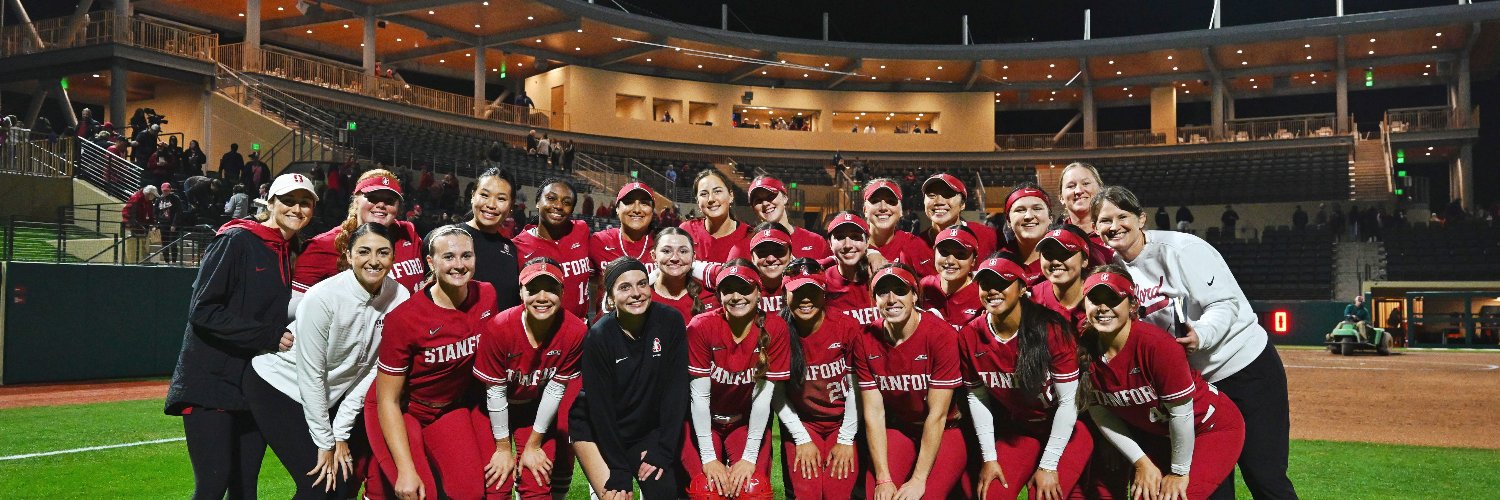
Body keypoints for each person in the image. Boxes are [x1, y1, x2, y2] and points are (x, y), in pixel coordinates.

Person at [1092, 186, 1298, 499]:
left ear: (1141, 219)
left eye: (1123, 216)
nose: (1114, 225)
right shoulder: (1114, 272)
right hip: (1197, 389)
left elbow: (1225, 304)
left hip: (1245, 369)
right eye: (1105, 220)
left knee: (1265, 476)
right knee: (1213, 488)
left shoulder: (1182, 249)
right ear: (1096, 228)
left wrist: (1200, 334)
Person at [164, 173, 316, 500]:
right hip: (210, 382)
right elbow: (203, 311)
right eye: (288, 201)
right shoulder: (237, 239)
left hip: (253, 384)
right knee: (212, 485)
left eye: (305, 203)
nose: (297, 209)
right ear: (270, 203)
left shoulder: (289, 250)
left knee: (245, 489)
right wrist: (269, 335)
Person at [246, 222, 409, 499]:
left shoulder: (400, 297)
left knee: (340, 486)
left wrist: (341, 432)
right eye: (364, 252)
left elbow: (373, 370)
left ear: (393, 257)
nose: (373, 261)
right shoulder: (322, 297)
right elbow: (311, 374)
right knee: (322, 485)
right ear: (348, 256)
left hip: (328, 394)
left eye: (383, 253)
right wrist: (326, 442)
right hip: (278, 386)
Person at [1077, 266, 1246, 500]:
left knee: (1175, 496)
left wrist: (1178, 472)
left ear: (1133, 305)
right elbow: (1100, 413)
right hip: (1162, 434)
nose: (1103, 307)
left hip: (1209, 427)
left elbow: (1182, 415)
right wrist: (1142, 462)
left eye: (1113, 299)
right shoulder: (1082, 347)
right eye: (1094, 299)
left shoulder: (1155, 345)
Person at [366, 225, 506, 500]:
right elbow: (387, 400)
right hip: (400, 409)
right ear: (431, 262)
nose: (459, 265)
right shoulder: (404, 319)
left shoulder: (487, 295)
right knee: (418, 491)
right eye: (449, 257)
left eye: (466, 256)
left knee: (470, 492)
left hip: (447, 407)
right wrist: (406, 469)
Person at [960, 255, 1093, 500]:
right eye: (985, 283)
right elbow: (977, 398)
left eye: (1002, 283)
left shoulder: (1050, 329)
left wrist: (1048, 465)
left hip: (1068, 428)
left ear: (1022, 288)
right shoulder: (970, 334)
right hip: (1020, 430)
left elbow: (1069, 402)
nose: (992, 290)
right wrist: (989, 458)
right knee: (992, 495)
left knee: (1044, 495)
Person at [571, 257, 690, 499]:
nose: (636, 293)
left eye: (642, 284)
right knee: (617, 496)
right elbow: (600, 410)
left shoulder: (670, 321)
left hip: (643, 431)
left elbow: (676, 391)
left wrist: (664, 449)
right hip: (597, 430)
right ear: (611, 297)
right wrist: (618, 466)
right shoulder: (599, 336)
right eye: (625, 287)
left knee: (664, 492)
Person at [473, 259, 588, 499]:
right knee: (497, 482)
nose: (543, 297)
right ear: (520, 292)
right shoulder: (499, 327)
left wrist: (533, 445)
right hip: (488, 408)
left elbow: (556, 390)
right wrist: (504, 448)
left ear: (563, 292)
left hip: (532, 407)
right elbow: (494, 392)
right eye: (533, 289)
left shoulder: (575, 330)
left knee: (536, 481)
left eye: (551, 289)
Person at [854, 263, 968, 499]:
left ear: (915, 294)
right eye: (883, 292)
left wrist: (918, 480)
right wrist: (883, 478)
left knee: (924, 496)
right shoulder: (866, 339)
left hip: (945, 429)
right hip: (900, 428)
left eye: (900, 290)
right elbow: (874, 414)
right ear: (874, 299)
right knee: (879, 494)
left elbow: (936, 415)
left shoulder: (941, 335)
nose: (891, 298)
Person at [683, 261, 792, 496]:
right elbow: (699, 398)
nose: (736, 296)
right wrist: (709, 458)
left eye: (744, 288)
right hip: (703, 422)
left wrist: (749, 458)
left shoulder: (775, 327)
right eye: (728, 289)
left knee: (752, 488)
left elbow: (763, 400)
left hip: (742, 423)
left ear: (759, 291)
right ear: (718, 294)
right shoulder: (701, 326)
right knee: (707, 489)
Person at [774, 271, 863, 499]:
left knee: (837, 494)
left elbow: (857, 388)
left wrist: (845, 438)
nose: (806, 299)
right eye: (798, 292)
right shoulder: (777, 330)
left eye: (812, 291)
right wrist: (801, 438)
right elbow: (777, 394)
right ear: (785, 295)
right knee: (808, 495)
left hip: (842, 422)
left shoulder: (846, 326)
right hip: (805, 423)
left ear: (824, 294)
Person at [295, 171, 426, 311]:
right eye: (372, 197)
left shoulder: (408, 233)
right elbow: (294, 307)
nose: (381, 204)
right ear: (356, 199)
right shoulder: (322, 246)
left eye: (389, 201)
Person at [513, 178, 594, 317]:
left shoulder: (581, 230)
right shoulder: (518, 246)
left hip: (581, 330)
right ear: (537, 202)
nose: (558, 205)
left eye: (566, 202)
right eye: (551, 198)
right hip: (543, 333)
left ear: (572, 209)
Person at [462, 168, 523, 311]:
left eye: (501, 198)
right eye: (484, 195)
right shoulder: (444, 239)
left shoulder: (512, 250)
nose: (491, 205)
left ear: (511, 206)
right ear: (472, 195)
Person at [747, 176, 833, 261]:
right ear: (753, 208)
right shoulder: (744, 246)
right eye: (758, 200)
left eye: (770, 196)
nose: (765, 203)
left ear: (785, 198)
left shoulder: (815, 242)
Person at [863, 178, 935, 277]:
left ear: (901, 211)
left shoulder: (914, 245)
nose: (883, 207)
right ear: (865, 210)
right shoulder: (850, 245)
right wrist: (868, 252)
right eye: (875, 201)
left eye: (891, 201)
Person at [680, 169, 751, 267]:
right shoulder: (686, 231)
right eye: (704, 194)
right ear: (697, 202)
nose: (711, 199)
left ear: (731, 195)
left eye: (717, 191)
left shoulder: (749, 235)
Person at [921, 173, 998, 261]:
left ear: (962, 204)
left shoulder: (987, 236)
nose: (939, 201)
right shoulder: (914, 245)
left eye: (948, 195)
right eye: (931, 195)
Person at [919, 226, 983, 329]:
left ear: (973, 261)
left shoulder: (983, 293)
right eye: (944, 252)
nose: (950, 261)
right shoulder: (925, 286)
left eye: (961, 254)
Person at [823, 212, 881, 326]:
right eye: (840, 237)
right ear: (830, 243)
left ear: (867, 241)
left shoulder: (881, 274)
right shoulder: (821, 282)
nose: (848, 245)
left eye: (855, 237)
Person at [1030, 226, 1093, 328]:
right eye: (1048, 254)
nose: (1055, 262)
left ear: (1084, 260)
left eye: (1065, 253)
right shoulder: (1031, 299)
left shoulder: (1101, 296)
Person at [590, 182, 657, 276]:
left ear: (652, 210)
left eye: (644, 203)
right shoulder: (600, 241)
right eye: (629, 202)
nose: (637, 210)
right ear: (617, 209)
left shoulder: (662, 245)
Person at [651, 227, 716, 319]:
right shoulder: (644, 299)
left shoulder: (709, 295)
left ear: (693, 256)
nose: (675, 258)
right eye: (666, 251)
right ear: (654, 256)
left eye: (683, 251)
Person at [1058, 162, 1115, 265]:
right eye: (1071, 186)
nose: (1079, 191)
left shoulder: (1117, 231)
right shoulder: (1055, 238)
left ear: (1100, 190)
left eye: (1086, 184)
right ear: (1061, 197)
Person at [1003, 184, 1055, 285]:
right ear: (1008, 222)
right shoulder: (1000, 263)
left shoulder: (1065, 259)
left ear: (1050, 218)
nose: (1029, 216)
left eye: (1037, 208)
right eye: (1020, 210)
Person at [156, 182, 184, 263]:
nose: (165, 192)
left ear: (170, 190)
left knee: (173, 242)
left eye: (167, 190)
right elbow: (156, 211)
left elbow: (178, 212)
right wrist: (156, 223)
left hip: (172, 224)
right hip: (162, 224)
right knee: (164, 243)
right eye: (164, 190)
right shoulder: (159, 199)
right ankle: (166, 261)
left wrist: (174, 224)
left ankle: (174, 261)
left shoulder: (175, 198)